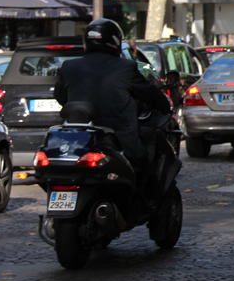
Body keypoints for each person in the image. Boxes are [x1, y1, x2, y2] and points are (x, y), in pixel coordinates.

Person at [53, 18, 171, 176]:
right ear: (115, 41)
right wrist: (165, 106)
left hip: (78, 142)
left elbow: (61, 97)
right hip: (120, 143)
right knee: (144, 173)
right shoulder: (126, 68)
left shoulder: (69, 66)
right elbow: (151, 94)